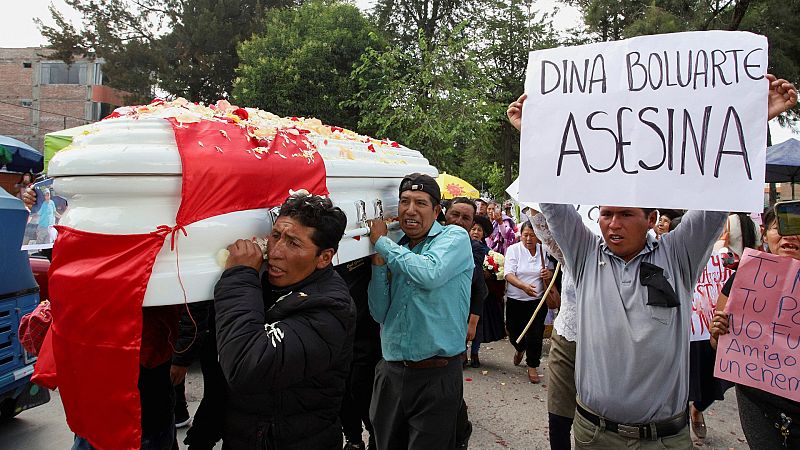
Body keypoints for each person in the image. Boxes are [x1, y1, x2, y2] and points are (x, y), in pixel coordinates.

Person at [507, 73, 796, 448]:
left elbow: (716, 195)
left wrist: (756, 120)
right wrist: (532, 136)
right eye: (606, 214)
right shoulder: (584, 256)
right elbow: (552, 202)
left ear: (650, 217)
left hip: (664, 439)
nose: (612, 224)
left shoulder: (678, 255)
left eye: (625, 214)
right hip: (594, 436)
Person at [214, 193, 356, 449]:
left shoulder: (331, 309)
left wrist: (239, 277)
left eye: (293, 243)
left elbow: (246, 365)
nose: (275, 252)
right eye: (276, 235)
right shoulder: (268, 283)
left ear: (324, 257)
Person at [367, 173, 473, 450]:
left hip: (436, 376)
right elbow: (379, 313)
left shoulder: (454, 237)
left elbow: (430, 273)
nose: (410, 210)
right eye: (404, 201)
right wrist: (379, 266)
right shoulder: (396, 247)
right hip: (391, 373)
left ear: (437, 211)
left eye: (421, 203)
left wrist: (383, 244)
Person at [710, 209, 800, 449]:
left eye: (797, 229)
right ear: (766, 233)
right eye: (779, 229)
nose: (789, 237)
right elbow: (719, 343)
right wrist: (718, 332)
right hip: (758, 401)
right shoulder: (746, 275)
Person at [528, 210, 578, 450]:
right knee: (559, 412)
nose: (613, 223)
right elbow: (546, 229)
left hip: (612, 343)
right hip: (569, 333)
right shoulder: (576, 244)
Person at [443, 197, 489, 450]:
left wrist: (472, 324)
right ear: (444, 215)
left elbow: (479, 290)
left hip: (457, 324)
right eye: (454, 215)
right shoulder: (430, 243)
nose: (459, 222)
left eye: (466, 218)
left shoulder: (472, 250)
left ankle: (459, 431)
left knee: (451, 379)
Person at [338, 256, 381, 450]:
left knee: (363, 389)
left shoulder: (363, 244)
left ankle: (375, 434)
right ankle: (353, 439)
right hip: (336, 334)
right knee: (342, 393)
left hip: (365, 333)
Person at [503, 221, 554, 384]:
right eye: (525, 235)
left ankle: (532, 365)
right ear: (521, 235)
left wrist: (548, 274)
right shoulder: (514, 250)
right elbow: (508, 274)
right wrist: (523, 286)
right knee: (513, 332)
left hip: (537, 302)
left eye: (532, 235)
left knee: (535, 334)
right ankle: (519, 349)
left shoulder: (544, 250)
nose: (529, 239)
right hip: (516, 300)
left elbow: (552, 269)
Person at [467, 214, 505, 366]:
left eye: (479, 230)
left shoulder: (490, 253)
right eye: (473, 229)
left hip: (481, 294)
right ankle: (462, 353)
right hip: (464, 291)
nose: (476, 232)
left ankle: (475, 353)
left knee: (478, 324)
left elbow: (497, 273)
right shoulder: (463, 246)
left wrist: (491, 273)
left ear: (484, 234)